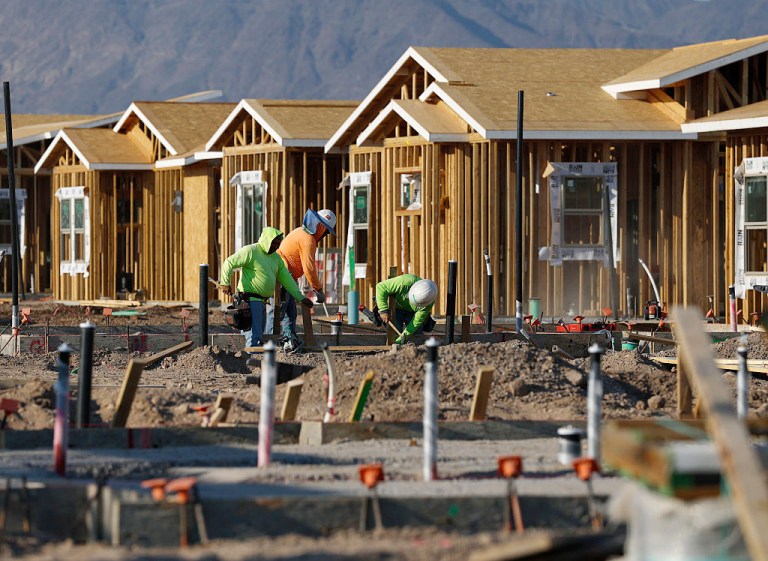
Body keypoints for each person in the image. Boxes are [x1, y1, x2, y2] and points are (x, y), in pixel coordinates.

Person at [220, 226, 312, 349]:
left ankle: (251, 361)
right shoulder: (251, 251)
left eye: (278, 243)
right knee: (254, 337)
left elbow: (287, 280)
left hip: (262, 302)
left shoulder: (276, 259)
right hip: (249, 301)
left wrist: (300, 297)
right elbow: (229, 262)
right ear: (266, 240)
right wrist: (225, 282)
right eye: (274, 243)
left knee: (257, 335)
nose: (276, 246)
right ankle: (251, 362)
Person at [276, 208, 337, 352]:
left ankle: (289, 342)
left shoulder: (301, 232)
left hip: (286, 275)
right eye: (326, 232)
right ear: (320, 226)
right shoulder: (308, 240)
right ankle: (271, 345)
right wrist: (319, 289)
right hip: (284, 275)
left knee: (289, 312)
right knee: (280, 312)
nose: (325, 235)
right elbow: (309, 268)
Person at [374, 273, 438, 344]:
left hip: (412, 312)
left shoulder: (428, 301)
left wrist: (400, 340)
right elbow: (381, 287)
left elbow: (415, 323)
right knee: (394, 333)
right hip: (395, 308)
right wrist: (383, 310)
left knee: (416, 335)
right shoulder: (404, 282)